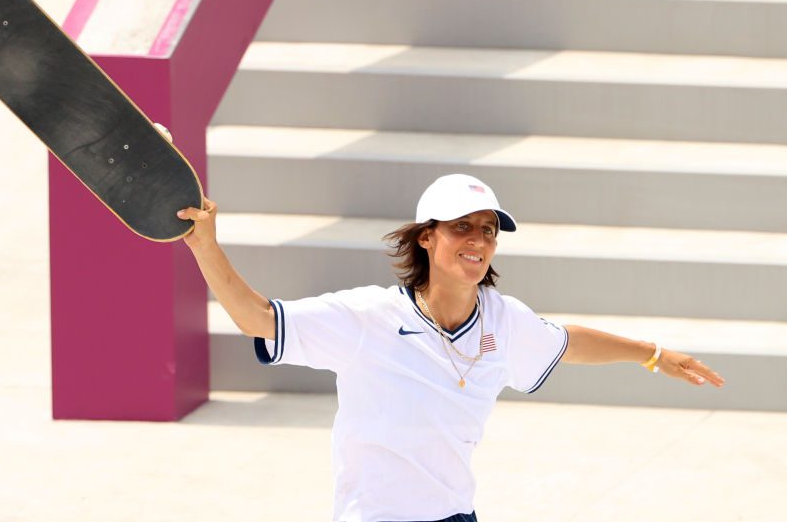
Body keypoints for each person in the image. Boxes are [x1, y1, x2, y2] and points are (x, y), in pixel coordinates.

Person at [176, 173, 726, 522]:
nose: (479, 241)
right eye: (463, 227)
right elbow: (254, 317)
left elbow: (569, 342)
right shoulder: (368, 317)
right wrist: (205, 245)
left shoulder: (504, 319)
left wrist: (653, 354)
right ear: (426, 237)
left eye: (489, 230)